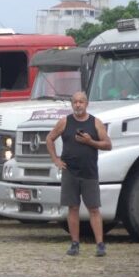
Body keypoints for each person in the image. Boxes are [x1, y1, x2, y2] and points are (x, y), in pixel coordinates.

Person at [46, 91, 112, 257]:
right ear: (71, 104)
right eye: (75, 102)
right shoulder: (64, 122)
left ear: (86, 104)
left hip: (89, 172)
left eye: (81, 102)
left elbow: (108, 145)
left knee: (94, 209)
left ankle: (100, 244)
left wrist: (90, 141)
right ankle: (75, 244)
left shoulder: (96, 122)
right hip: (70, 172)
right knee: (72, 208)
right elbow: (49, 139)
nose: (78, 105)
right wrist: (56, 160)